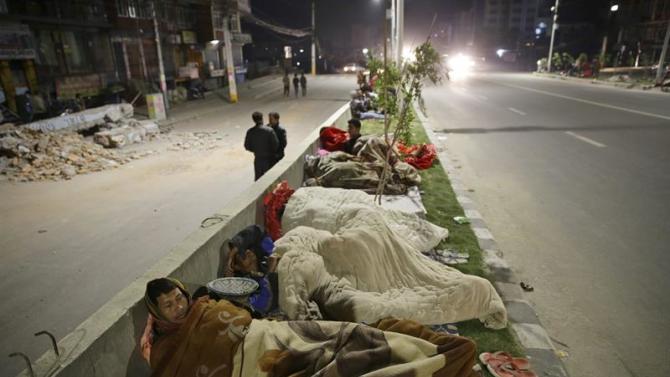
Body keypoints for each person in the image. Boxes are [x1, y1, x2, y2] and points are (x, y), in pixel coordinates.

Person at [141, 277, 480, 377]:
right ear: (157, 312)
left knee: (346, 333)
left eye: (178, 297)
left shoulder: (205, 305)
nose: (179, 306)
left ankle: (410, 348)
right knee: (323, 362)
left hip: (273, 332)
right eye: (169, 305)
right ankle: (411, 363)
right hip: (252, 363)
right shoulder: (165, 350)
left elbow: (246, 317)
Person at [244, 112, 279, 180]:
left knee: (259, 181)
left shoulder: (250, 132)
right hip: (269, 159)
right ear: (262, 118)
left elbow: (247, 146)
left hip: (258, 159)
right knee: (270, 180)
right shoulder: (269, 130)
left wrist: (256, 149)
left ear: (253, 120)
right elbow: (276, 144)